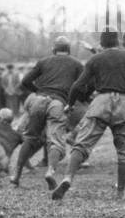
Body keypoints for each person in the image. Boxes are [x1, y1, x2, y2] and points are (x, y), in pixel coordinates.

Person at [52, 27, 125, 202]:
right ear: (117, 41)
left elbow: (78, 85)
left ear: (102, 43)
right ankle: (121, 192)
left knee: (82, 143)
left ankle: (68, 177)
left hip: (101, 101)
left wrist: (70, 104)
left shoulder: (95, 59)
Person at [12, 37, 85, 189]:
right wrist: (73, 99)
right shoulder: (77, 64)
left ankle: (16, 175)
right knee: (56, 141)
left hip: (38, 100)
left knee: (30, 138)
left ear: (54, 50)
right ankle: (50, 171)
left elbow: (25, 81)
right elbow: (82, 87)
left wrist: (38, 91)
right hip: (58, 103)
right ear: (69, 50)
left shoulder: (43, 62)